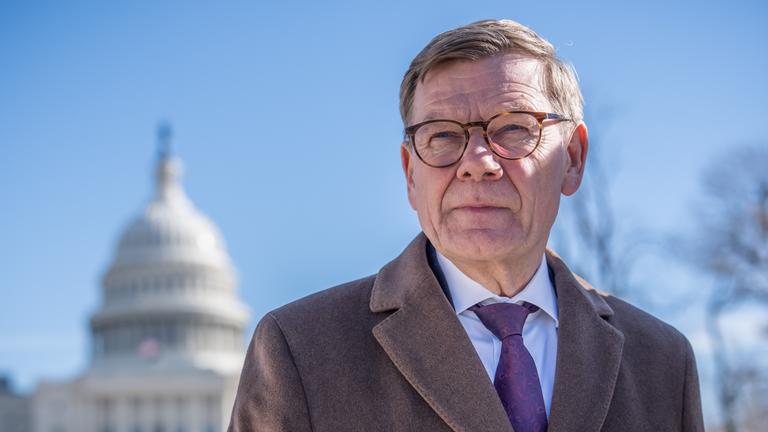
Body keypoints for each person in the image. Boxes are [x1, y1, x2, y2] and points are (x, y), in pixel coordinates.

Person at [228, 19, 704, 432]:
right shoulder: (300, 349)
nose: (477, 163)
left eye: (515, 128)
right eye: (441, 135)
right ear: (410, 173)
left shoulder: (662, 362)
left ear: (573, 159)